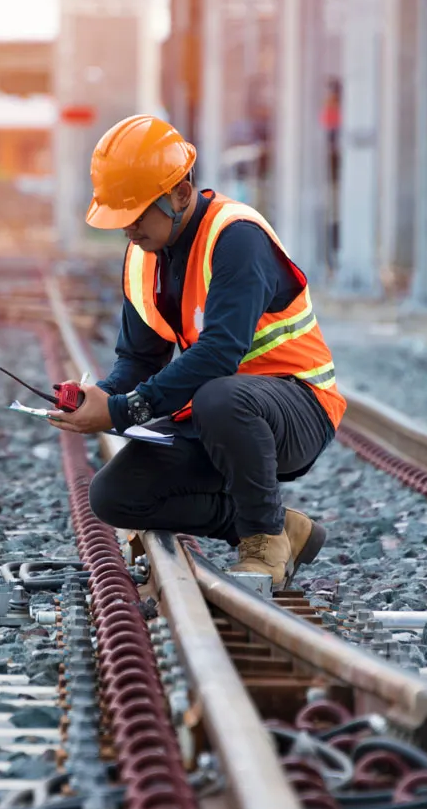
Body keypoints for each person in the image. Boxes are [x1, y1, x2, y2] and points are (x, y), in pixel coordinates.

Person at [47, 115, 346, 585]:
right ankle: (282, 524)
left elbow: (220, 354)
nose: (127, 229)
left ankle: (264, 545)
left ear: (181, 193)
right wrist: (98, 399)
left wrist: (127, 410)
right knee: (114, 496)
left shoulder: (236, 238)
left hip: (298, 408)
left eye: (136, 214)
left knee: (219, 396)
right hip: (218, 417)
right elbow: (139, 359)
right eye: (120, 218)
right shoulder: (144, 255)